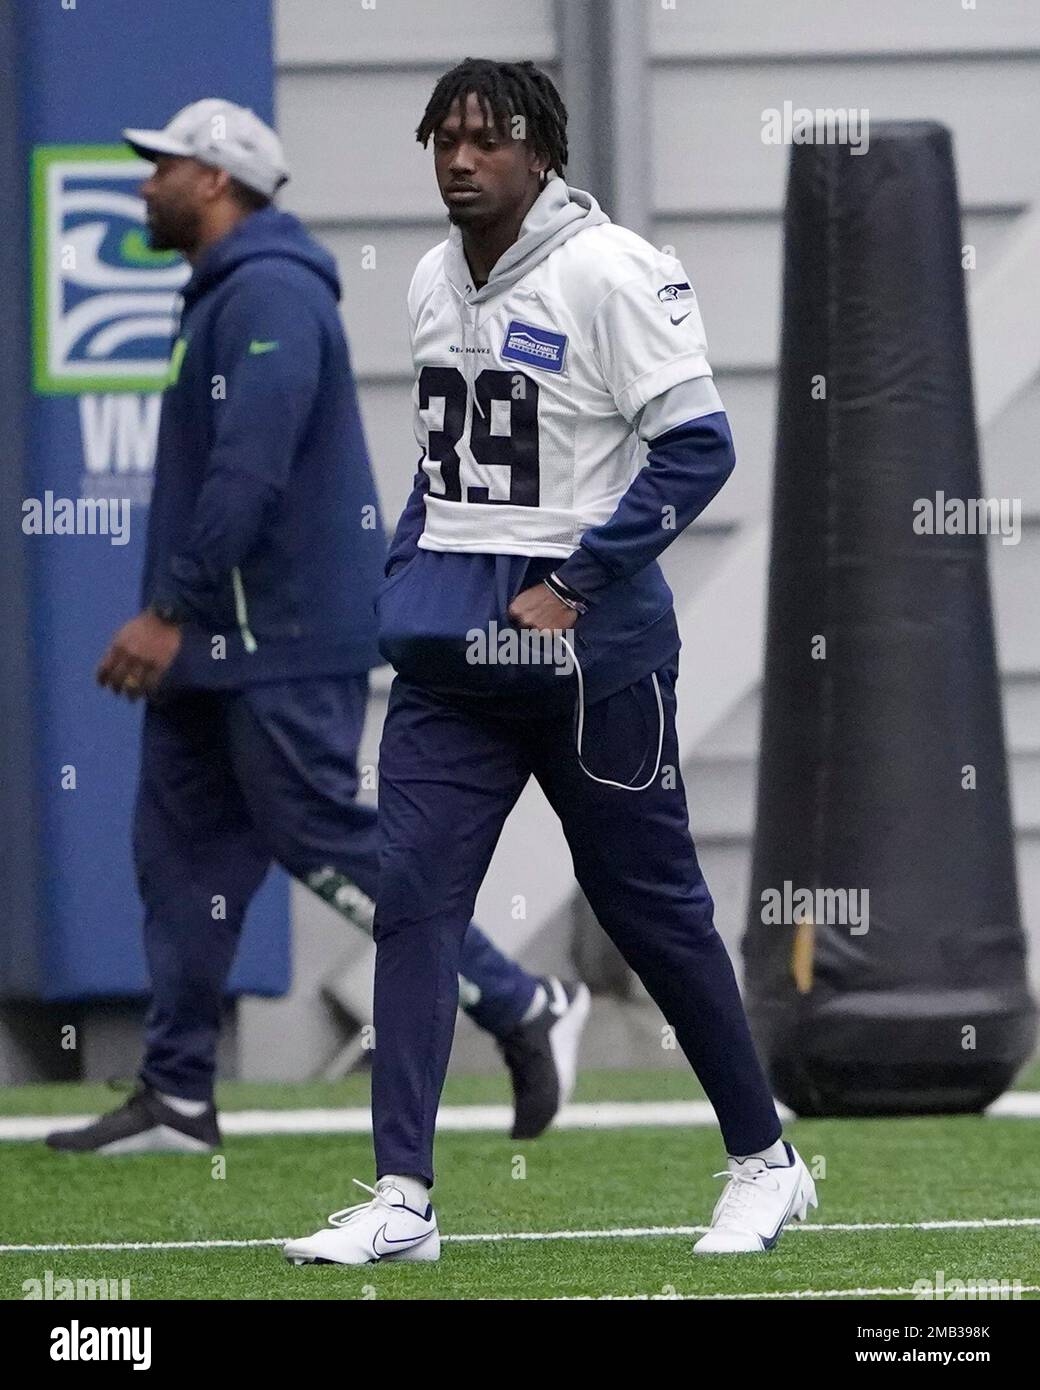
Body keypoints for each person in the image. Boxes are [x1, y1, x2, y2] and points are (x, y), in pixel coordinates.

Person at [285, 60, 817, 1267]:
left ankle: (764, 1162)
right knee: (410, 901)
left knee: (654, 913)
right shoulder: (429, 276)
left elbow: (698, 450)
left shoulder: (609, 269)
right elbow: (446, 453)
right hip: (453, 661)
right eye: (442, 141)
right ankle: (402, 1197)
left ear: (541, 153)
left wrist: (571, 583)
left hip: (588, 654)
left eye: (486, 140)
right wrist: (413, 563)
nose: (459, 161)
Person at [46, 98, 588, 1157]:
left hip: (277, 639)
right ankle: (177, 1095)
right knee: (181, 861)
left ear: (213, 181)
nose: (145, 184)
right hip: (221, 646)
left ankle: (519, 1001)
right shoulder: (223, 293)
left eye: (161, 167)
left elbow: (251, 466)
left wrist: (168, 610)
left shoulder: (271, 296)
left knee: (317, 834)